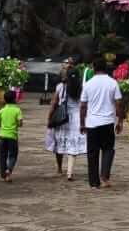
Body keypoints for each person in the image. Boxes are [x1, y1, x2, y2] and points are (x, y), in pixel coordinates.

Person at [79, 57, 124, 189]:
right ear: (106, 68)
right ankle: (104, 175)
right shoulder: (113, 83)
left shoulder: (88, 84)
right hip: (107, 122)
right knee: (108, 149)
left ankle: (93, 182)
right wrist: (120, 121)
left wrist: (82, 123)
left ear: (93, 68)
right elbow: (119, 103)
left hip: (92, 123)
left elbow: (83, 106)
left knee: (92, 152)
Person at [45, 68, 87, 181]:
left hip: (62, 119)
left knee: (59, 143)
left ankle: (59, 168)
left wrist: (49, 119)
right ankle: (70, 172)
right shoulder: (82, 88)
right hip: (76, 119)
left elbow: (54, 104)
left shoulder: (61, 87)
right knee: (72, 146)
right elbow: (84, 105)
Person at [0, 90, 22, 182]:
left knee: (2, 155)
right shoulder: (17, 110)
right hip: (12, 136)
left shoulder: (2, 110)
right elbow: (20, 123)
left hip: (2, 135)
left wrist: (2, 125)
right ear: (15, 99)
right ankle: (8, 170)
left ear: (4, 100)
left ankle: (3, 174)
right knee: (13, 155)